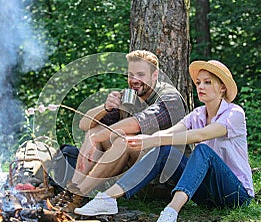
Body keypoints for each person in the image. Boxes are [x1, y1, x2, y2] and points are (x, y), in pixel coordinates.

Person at [74, 60, 254, 222]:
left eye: (207, 83)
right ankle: (108, 198)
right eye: (198, 82)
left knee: (202, 151)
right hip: (206, 196)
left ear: (222, 87)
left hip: (235, 194)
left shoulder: (234, 113)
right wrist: (145, 139)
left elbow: (200, 135)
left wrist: (153, 140)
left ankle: (171, 211)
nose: (200, 87)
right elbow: (169, 133)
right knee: (164, 150)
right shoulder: (197, 114)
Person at [52, 50, 186, 212]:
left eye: (141, 74)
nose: (134, 80)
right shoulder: (130, 97)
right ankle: (71, 192)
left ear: (155, 75)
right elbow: (84, 124)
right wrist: (105, 107)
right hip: (134, 177)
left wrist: (100, 136)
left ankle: (79, 195)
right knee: (96, 129)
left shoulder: (169, 98)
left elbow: (138, 123)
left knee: (124, 140)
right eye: (131, 75)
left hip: (167, 180)